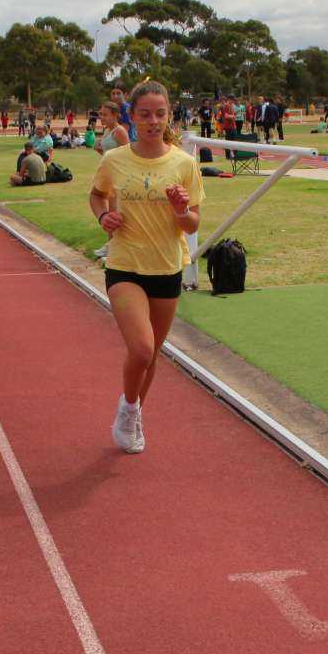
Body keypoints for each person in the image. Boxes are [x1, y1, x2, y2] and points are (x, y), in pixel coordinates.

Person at [90, 80, 204, 454]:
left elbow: (192, 225)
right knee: (141, 349)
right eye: (144, 114)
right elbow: (97, 195)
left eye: (160, 113)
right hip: (125, 265)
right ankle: (128, 407)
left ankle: (134, 413)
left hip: (167, 268)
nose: (153, 121)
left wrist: (180, 210)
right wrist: (104, 216)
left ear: (168, 115)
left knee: (153, 355)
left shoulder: (185, 163)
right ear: (133, 116)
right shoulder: (115, 159)